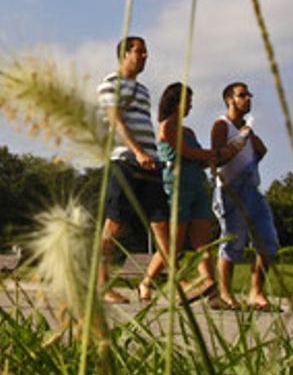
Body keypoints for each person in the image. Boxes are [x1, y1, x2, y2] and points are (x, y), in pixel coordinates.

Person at [97, 36, 171, 303]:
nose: (145, 56)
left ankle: (153, 283)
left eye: (146, 52)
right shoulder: (110, 84)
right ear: (125, 54)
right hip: (125, 161)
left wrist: (152, 155)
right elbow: (115, 121)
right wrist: (137, 152)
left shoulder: (144, 91)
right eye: (140, 51)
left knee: (163, 226)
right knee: (114, 224)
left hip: (150, 165)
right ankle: (103, 285)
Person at [157, 82, 245, 302]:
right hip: (177, 186)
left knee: (203, 242)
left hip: (197, 184)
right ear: (175, 102)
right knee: (176, 243)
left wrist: (224, 154)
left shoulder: (189, 131)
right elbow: (184, 152)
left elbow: (199, 160)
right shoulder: (166, 126)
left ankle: (210, 289)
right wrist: (214, 152)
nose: (190, 106)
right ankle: (163, 283)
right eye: (187, 102)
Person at [210, 82, 279, 310]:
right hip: (230, 190)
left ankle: (256, 292)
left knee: (267, 240)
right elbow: (216, 158)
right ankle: (226, 293)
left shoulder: (247, 129)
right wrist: (240, 139)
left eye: (249, 95)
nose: (248, 98)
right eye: (242, 95)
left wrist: (251, 141)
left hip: (252, 190)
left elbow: (262, 150)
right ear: (229, 99)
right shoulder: (222, 125)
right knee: (232, 243)